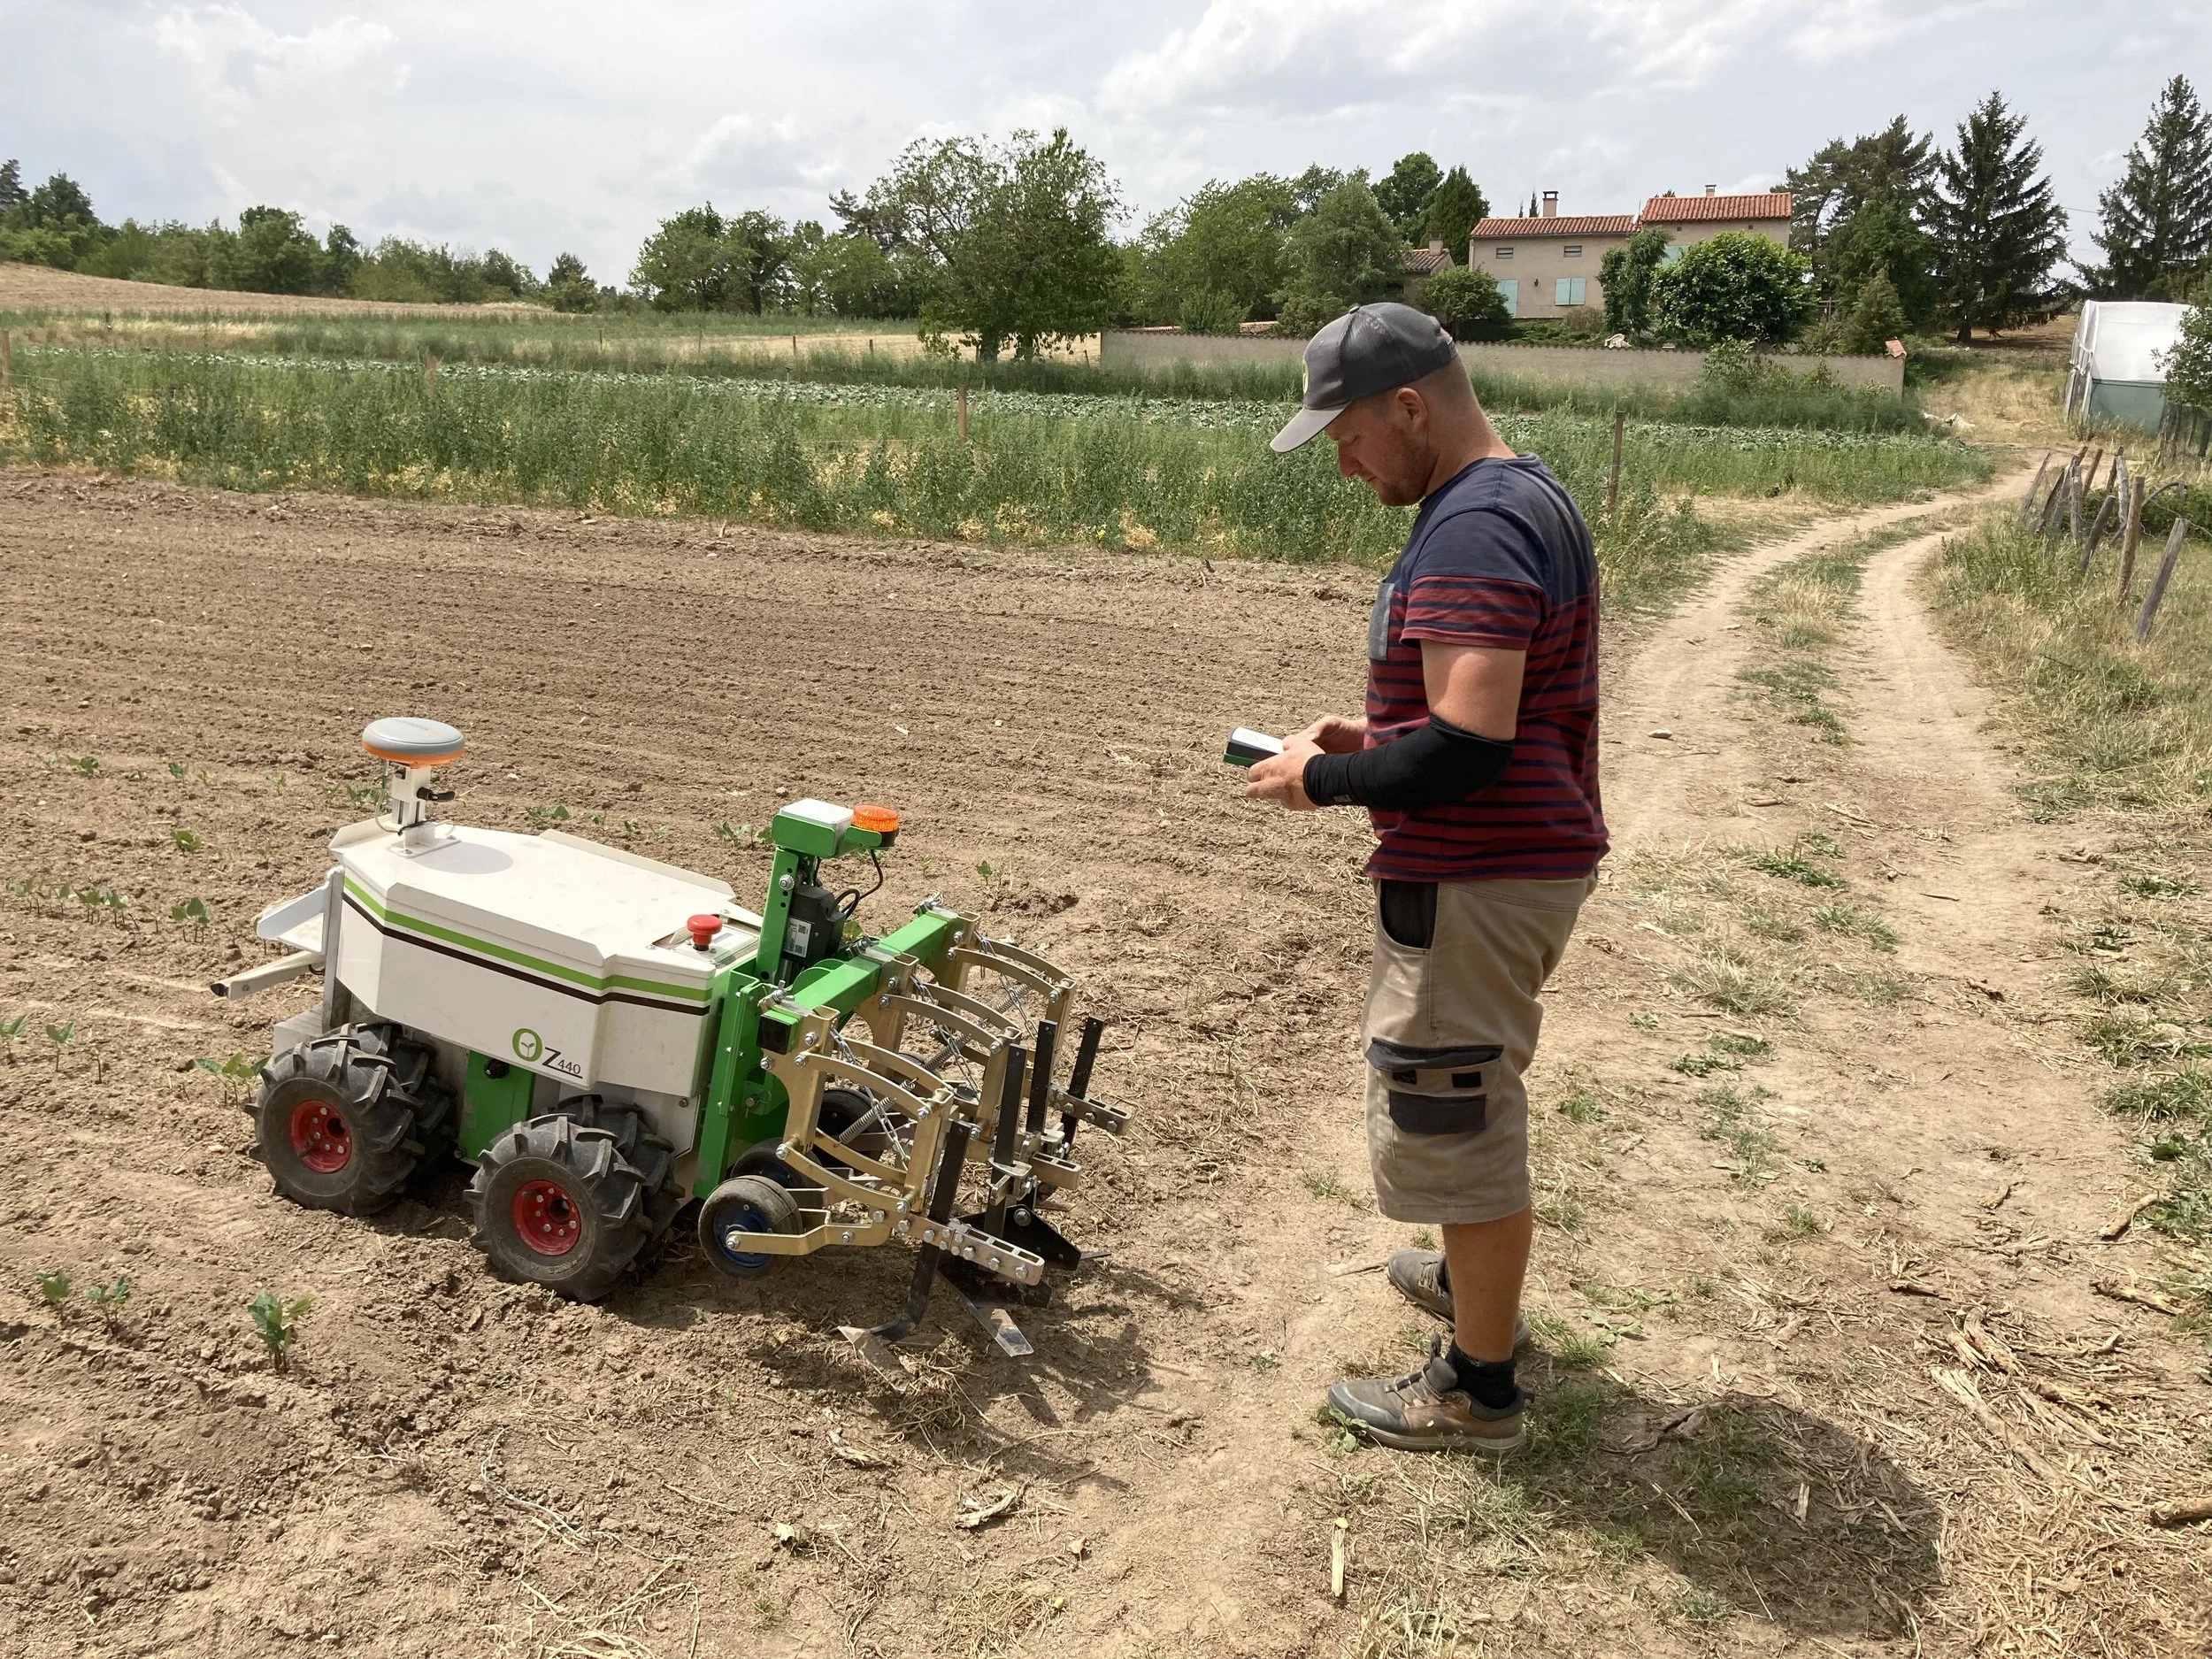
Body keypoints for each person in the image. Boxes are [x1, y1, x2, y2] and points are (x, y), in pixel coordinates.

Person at [1244, 303, 1606, 1454]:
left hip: (1483, 870)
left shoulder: (1473, 527)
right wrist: (1374, 731)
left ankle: (1476, 1388)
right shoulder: (1517, 494)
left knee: (1453, 1108)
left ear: (1409, 408)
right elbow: (1477, 709)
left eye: (1348, 437)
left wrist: (1322, 781)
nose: (1344, 465)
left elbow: (1468, 745)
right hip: (1513, 862)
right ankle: (1472, 1279)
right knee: (1462, 1096)